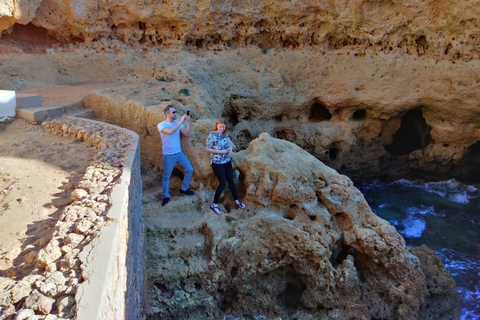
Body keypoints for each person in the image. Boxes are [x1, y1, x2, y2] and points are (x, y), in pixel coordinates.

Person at [205, 118, 246, 215]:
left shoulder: (225, 134)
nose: (222, 128)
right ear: (216, 126)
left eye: (223, 127)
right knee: (223, 183)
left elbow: (227, 145)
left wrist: (229, 149)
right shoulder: (212, 135)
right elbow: (207, 149)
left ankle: (237, 201)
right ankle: (214, 204)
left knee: (231, 181)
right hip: (217, 162)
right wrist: (220, 152)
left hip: (226, 160)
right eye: (220, 126)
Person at [158, 105, 194, 206]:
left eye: (176, 112)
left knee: (190, 169)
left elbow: (187, 134)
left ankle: (183, 189)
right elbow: (169, 132)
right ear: (167, 114)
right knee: (166, 177)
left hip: (179, 153)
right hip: (168, 155)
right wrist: (181, 122)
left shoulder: (178, 123)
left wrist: (188, 122)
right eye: (173, 112)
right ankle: (166, 196)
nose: (175, 114)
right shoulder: (161, 125)